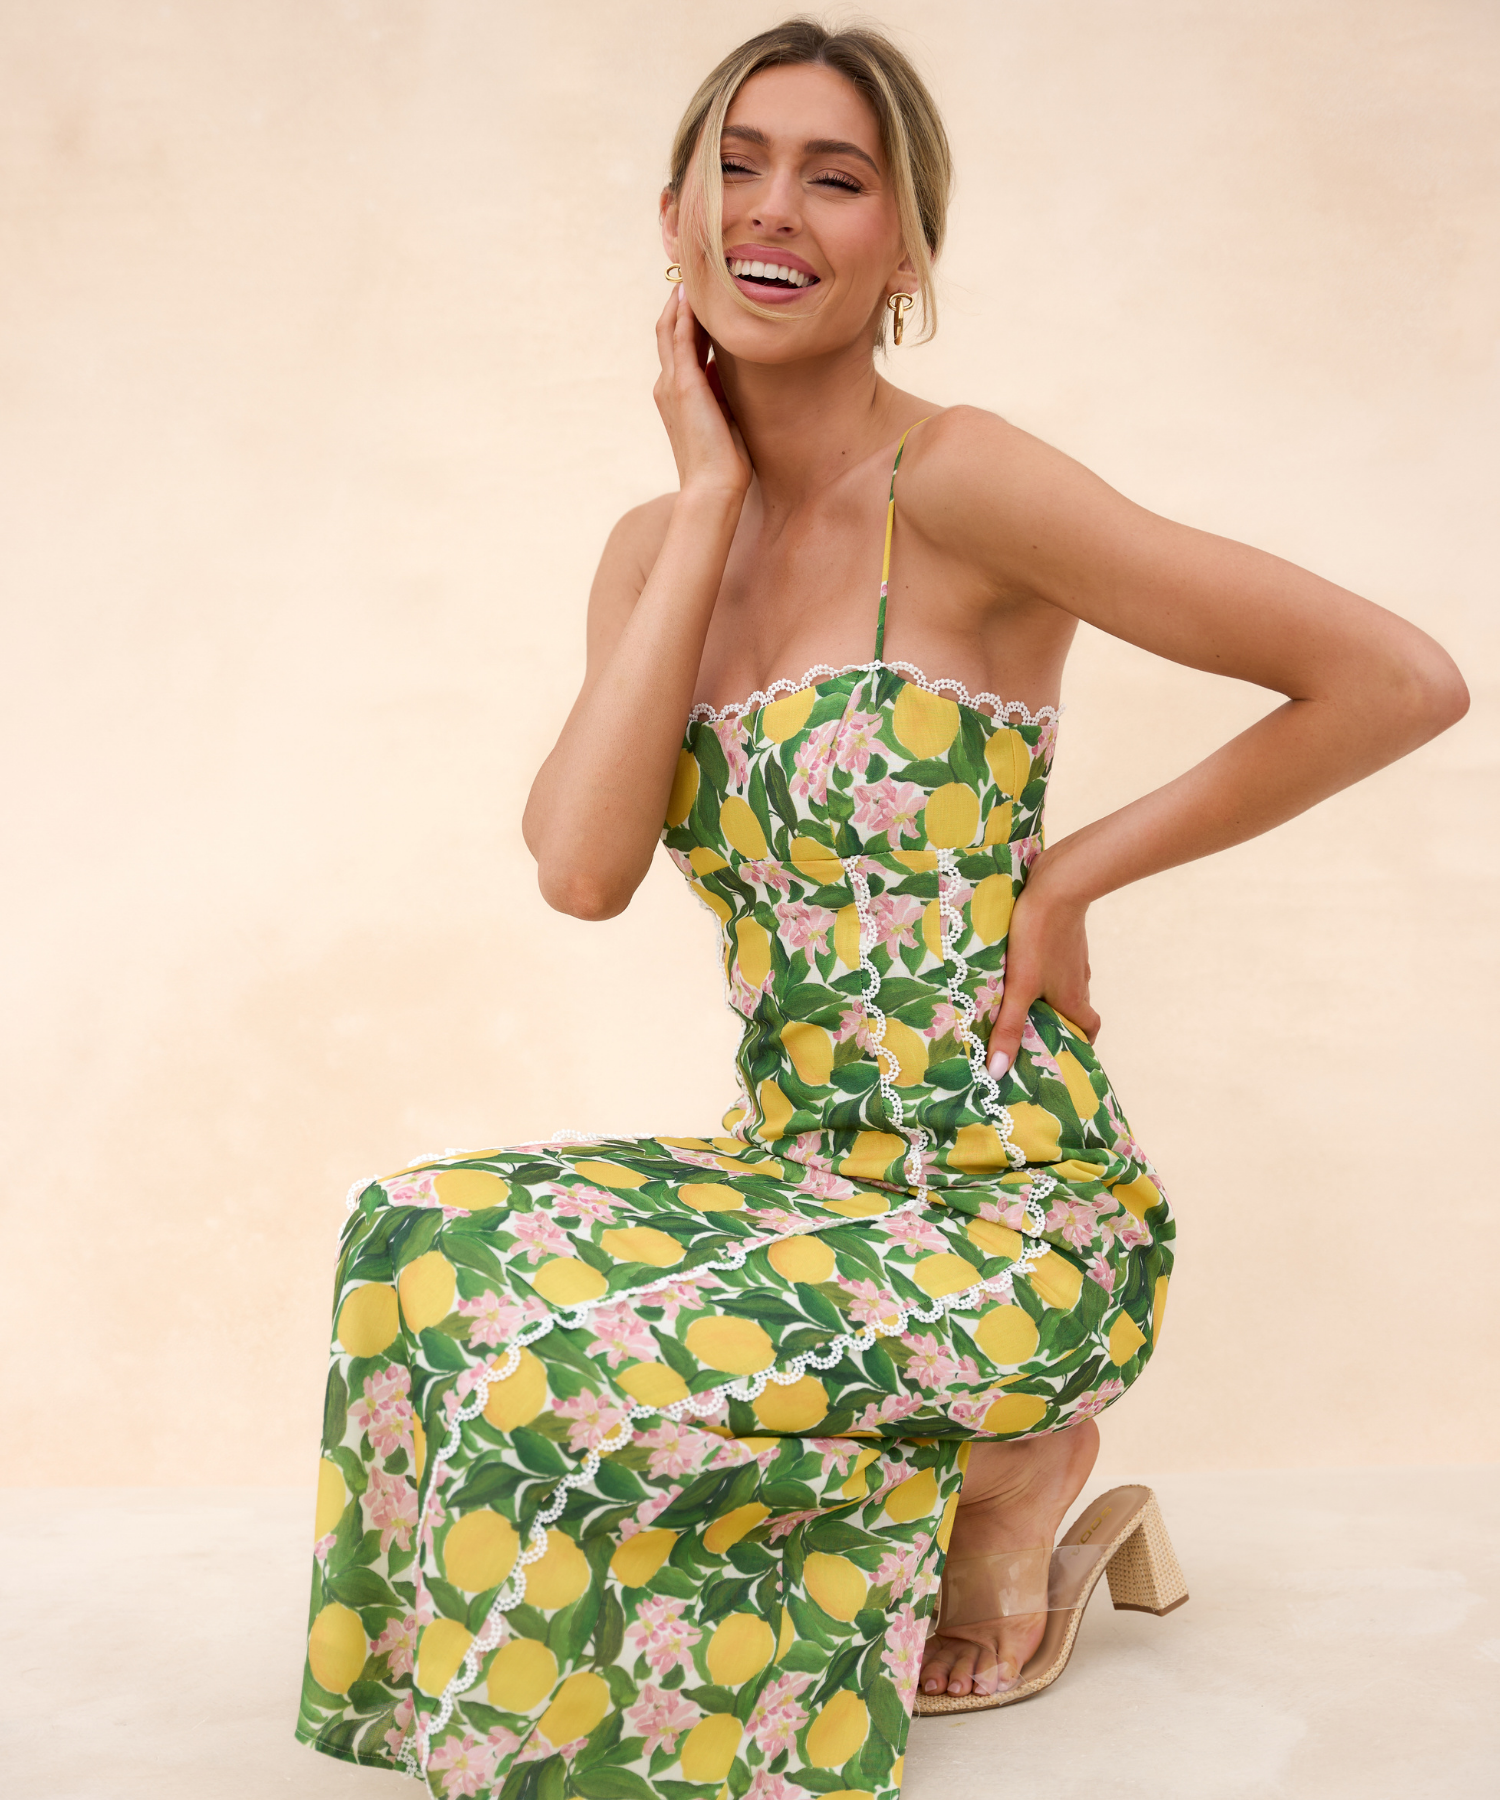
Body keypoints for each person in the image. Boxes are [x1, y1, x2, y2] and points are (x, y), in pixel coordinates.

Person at [295, 18, 1467, 1795]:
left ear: (906, 250)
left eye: (836, 179)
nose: (775, 209)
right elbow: (580, 871)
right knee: (413, 1239)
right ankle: (909, 1496)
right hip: (800, 1176)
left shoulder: (966, 480)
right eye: (736, 166)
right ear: (673, 216)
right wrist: (708, 495)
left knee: (574, 1353)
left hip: (1011, 1210)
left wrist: (1075, 868)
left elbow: (1396, 679)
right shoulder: (651, 547)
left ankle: (1006, 1460)